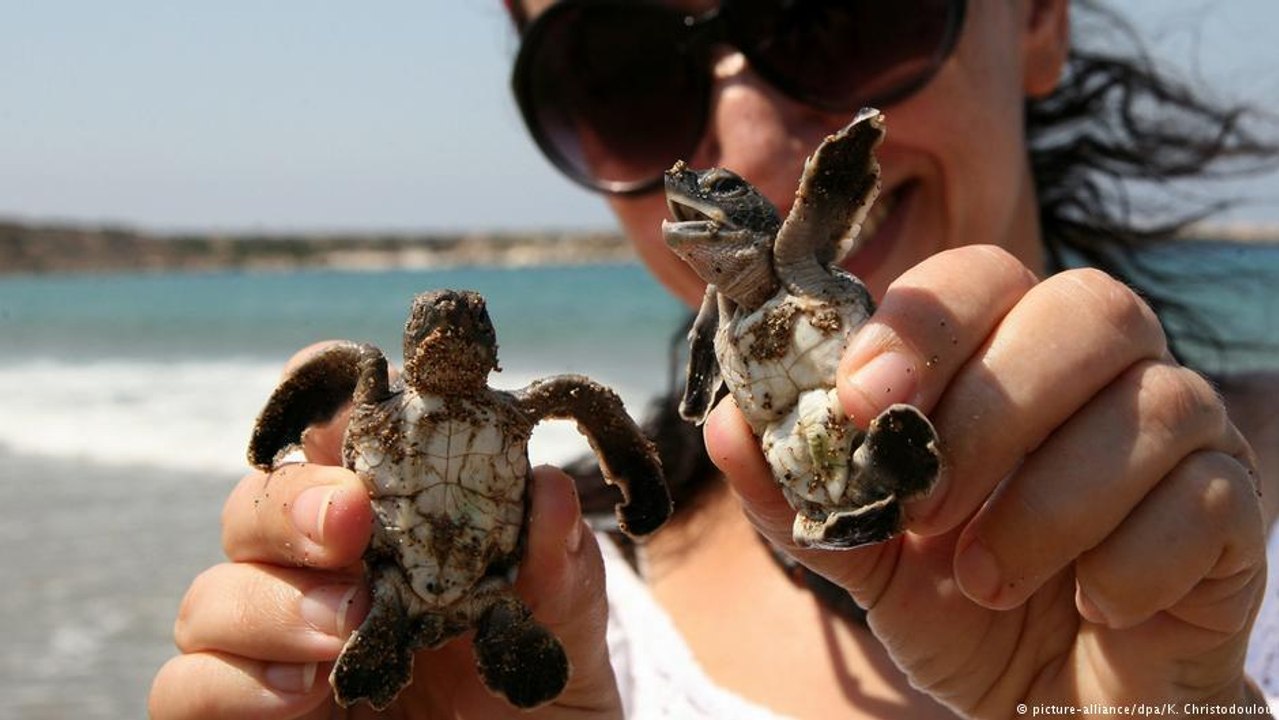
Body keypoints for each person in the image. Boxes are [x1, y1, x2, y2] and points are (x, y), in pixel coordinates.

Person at [149, 0, 1279, 717]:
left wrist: (1169, 706)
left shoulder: (1217, 571)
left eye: (835, 15)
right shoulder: (583, 608)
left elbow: (813, 211)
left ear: (1035, 13)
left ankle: (884, 453)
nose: (745, 145)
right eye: (624, 77)